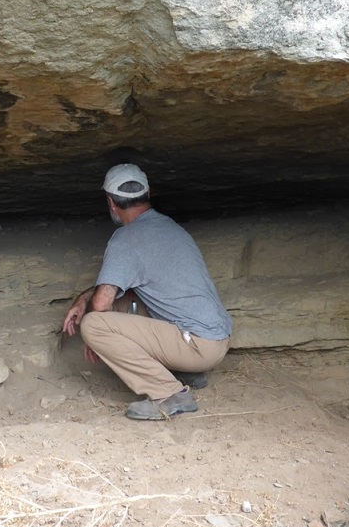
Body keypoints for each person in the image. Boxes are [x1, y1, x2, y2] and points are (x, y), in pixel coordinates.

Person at [62, 164, 232, 420]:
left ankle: (168, 393)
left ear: (110, 202)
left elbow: (100, 305)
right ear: (148, 193)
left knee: (94, 325)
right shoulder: (170, 227)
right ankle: (184, 371)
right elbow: (113, 292)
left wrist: (92, 335)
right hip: (215, 339)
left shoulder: (126, 239)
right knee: (127, 301)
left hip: (198, 345)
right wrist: (82, 300)